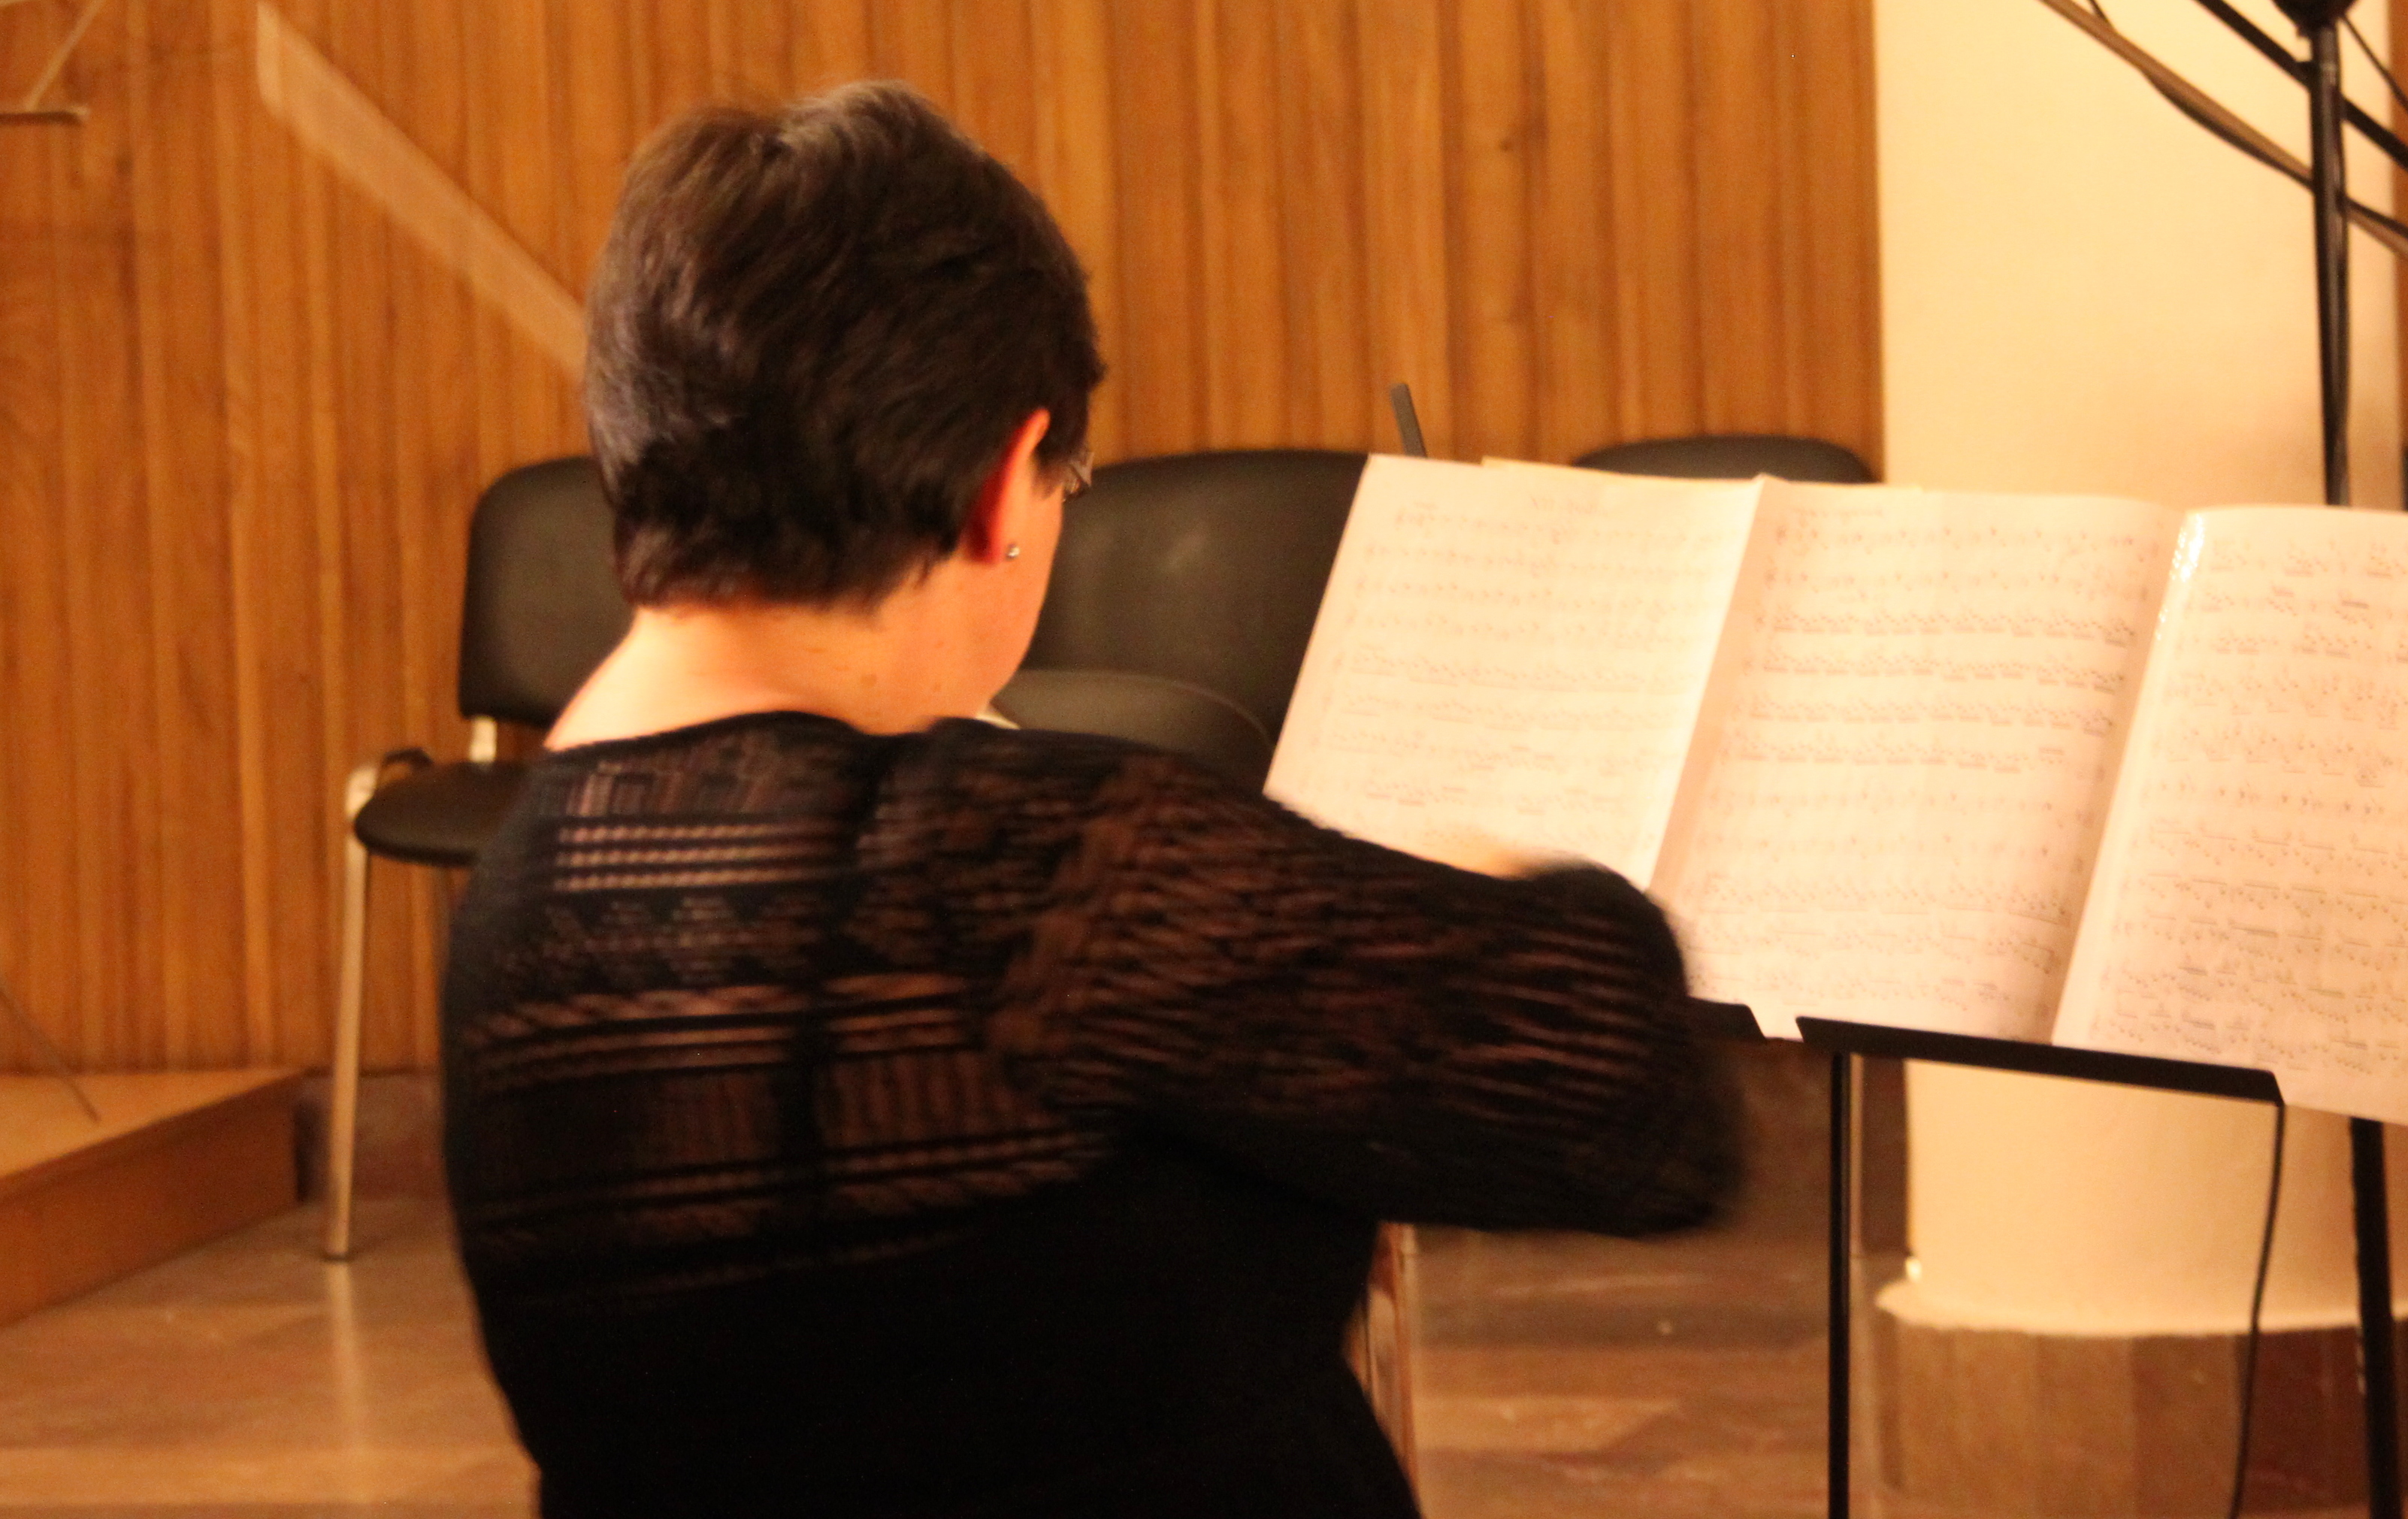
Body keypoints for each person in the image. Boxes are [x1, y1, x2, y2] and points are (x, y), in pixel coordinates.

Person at [440, 82, 1735, 1518]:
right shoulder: (1022, 862)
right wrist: (1482, 877)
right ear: (1007, 485)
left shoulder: (513, 898)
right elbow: (1627, 1096)